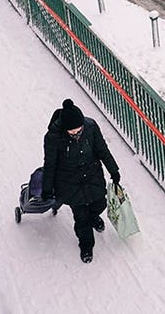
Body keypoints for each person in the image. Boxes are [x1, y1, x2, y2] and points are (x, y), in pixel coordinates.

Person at [39, 99, 120, 264]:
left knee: (100, 204)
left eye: (79, 128)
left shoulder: (90, 127)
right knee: (81, 217)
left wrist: (114, 170)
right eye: (72, 130)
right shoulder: (53, 138)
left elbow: (102, 150)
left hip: (92, 177)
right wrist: (47, 189)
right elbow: (50, 164)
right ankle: (86, 245)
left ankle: (93, 217)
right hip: (69, 183)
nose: (77, 131)